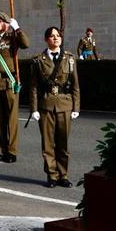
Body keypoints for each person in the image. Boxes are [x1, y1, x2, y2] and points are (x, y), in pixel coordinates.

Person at [31, 26, 81, 187]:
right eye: (52, 36)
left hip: (65, 105)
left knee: (63, 144)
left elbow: (75, 85)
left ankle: (63, 175)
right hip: (46, 105)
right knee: (48, 144)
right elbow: (34, 87)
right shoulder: (38, 60)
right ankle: (52, 175)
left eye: (58, 35)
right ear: (46, 39)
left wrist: (76, 108)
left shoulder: (70, 58)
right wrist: (34, 109)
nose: (55, 38)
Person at [0, 12, 29, 163]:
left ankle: (11, 151)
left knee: (11, 119)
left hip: (9, 82)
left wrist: (17, 29)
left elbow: (25, 44)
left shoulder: (12, 37)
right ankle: (1, 150)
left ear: (6, 23)